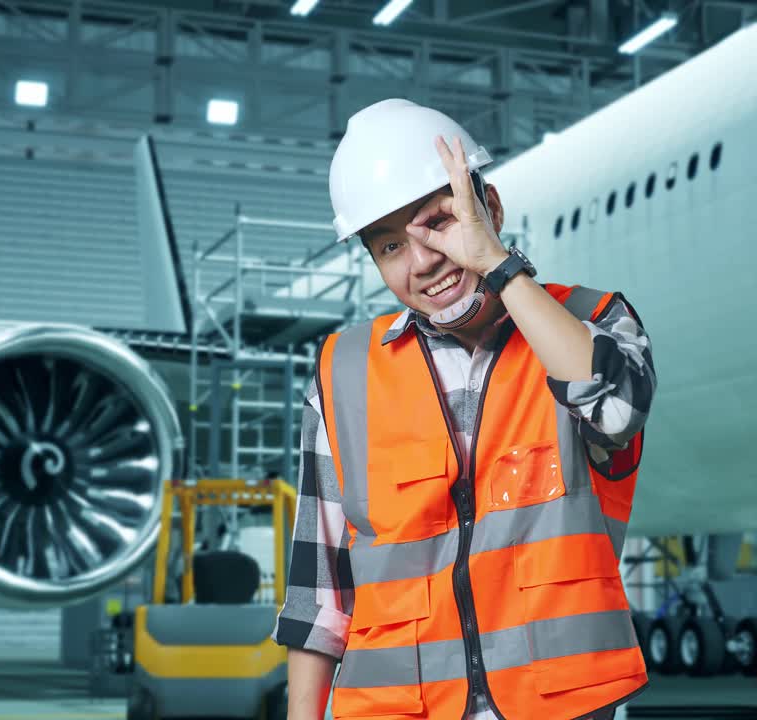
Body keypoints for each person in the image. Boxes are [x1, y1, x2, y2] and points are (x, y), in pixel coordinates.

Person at [271, 98, 657, 720]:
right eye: (390, 246)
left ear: (490, 209)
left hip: (556, 705)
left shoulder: (591, 321)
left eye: (439, 222)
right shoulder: (343, 372)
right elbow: (320, 594)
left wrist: (499, 268)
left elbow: (615, 410)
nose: (423, 260)